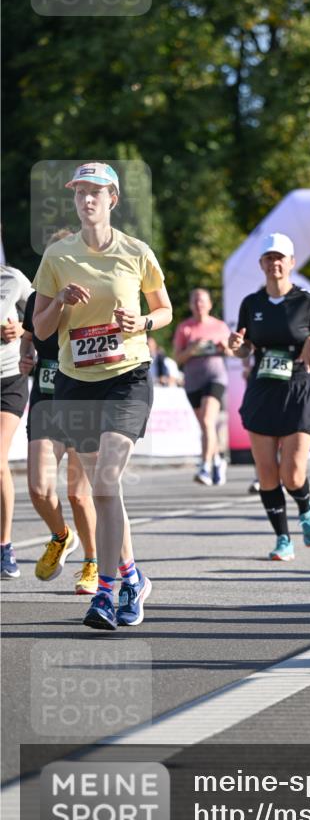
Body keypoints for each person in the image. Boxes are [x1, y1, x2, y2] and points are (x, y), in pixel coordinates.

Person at [32, 161, 172, 630]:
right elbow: (41, 328)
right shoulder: (57, 257)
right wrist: (57, 303)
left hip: (126, 377)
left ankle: (106, 594)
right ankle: (132, 575)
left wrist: (144, 323)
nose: (87, 199)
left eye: (96, 192)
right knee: (102, 492)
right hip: (75, 383)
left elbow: (165, 308)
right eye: (80, 193)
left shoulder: (136, 251)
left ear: (113, 199)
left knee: (107, 482)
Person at [227, 232, 310, 559]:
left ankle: (306, 508)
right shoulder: (252, 303)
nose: (275, 263)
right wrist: (237, 349)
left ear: (290, 263)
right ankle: (283, 539)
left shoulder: (305, 300)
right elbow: (247, 347)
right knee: (267, 473)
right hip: (263, 386)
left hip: (300, 387)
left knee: (292, 473)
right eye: (269, 258)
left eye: (280, 258)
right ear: (262, 264)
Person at [20, 287, 98, 594]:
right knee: (39, 489)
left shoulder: (94, 296)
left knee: (79, 496)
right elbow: (29, 337)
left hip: (83, 405)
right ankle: (62, 535)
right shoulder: (38, 298)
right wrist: (27, 357)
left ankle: (92, 562)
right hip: (46, 406)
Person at [173, 288, 231, 485]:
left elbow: (233, 351)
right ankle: (217, 460)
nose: (199, 305)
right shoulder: (185, 328)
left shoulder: (220, 326)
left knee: (207, 420)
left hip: (215, 377)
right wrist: (191, 349)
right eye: (196, 301)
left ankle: (205, 467)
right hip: (193, 381)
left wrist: (225, 347)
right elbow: (177, 358)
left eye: (203, 301)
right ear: (191, 305)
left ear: (210, 304)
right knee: (206, 426)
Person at [1, 263, 31, 579]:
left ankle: (4, 546)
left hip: (9, 380)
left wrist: (21, 328)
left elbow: (45, 314)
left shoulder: (12, 277)